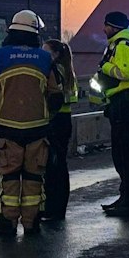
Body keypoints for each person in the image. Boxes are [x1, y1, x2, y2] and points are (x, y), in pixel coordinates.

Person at [0, 10, 62, 238]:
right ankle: (31, 224)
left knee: (8, 177)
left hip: (7, 128)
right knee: (33, 178)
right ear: (35, 33)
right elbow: (56, 97)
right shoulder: (45, 58)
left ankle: (7, 224)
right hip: (37, 128)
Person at [98, 9, 129, 219]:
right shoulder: (118, 44)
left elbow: (124, 72)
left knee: (124, 154)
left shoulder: (123, 45)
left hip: (124, 100)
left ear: (114, 27)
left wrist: (105, 66)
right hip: (120, 100)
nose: (104, 29)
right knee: (120, 153)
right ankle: (125, 197)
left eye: (106, 25)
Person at [43, 30, 77, 223]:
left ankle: (52, 208)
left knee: (53, 167)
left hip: (55, 119)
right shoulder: (67, 69)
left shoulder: (55, 70)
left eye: (46, 51)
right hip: (65, 119)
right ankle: (58, 208)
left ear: (55, 54)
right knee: (60, 165)